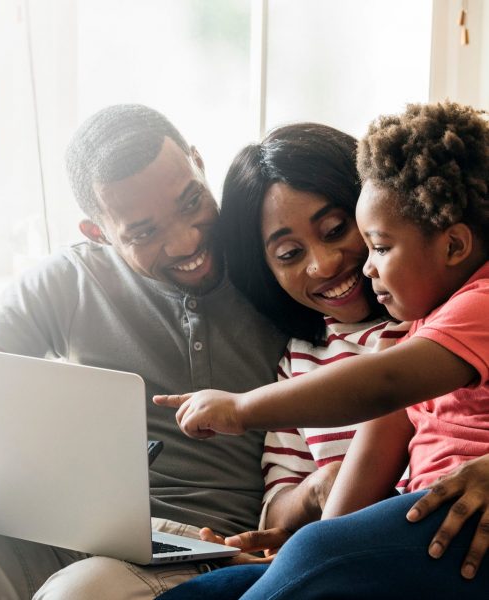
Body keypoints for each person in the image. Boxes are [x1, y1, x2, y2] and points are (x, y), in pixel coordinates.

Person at [0, 104, 288, 600]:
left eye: (191, 202)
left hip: (199, 548)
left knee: (78, 594)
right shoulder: (71, 279)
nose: (186, 241)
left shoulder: (280, 265)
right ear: (98, 232)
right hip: (56, 532)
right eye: (144, 232)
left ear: (197, 161)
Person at [156, 100, 489, 598]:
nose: (353, 265)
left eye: (369, 242)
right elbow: (387, 418)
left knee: (317, 557)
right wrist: (310, 540)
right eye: (290, 254)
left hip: (455, 534)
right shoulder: (424, 321)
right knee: (210, 590)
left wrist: (243, 407)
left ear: (453, 245)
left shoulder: (475, 308)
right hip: (417, 525)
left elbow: (384, 384)